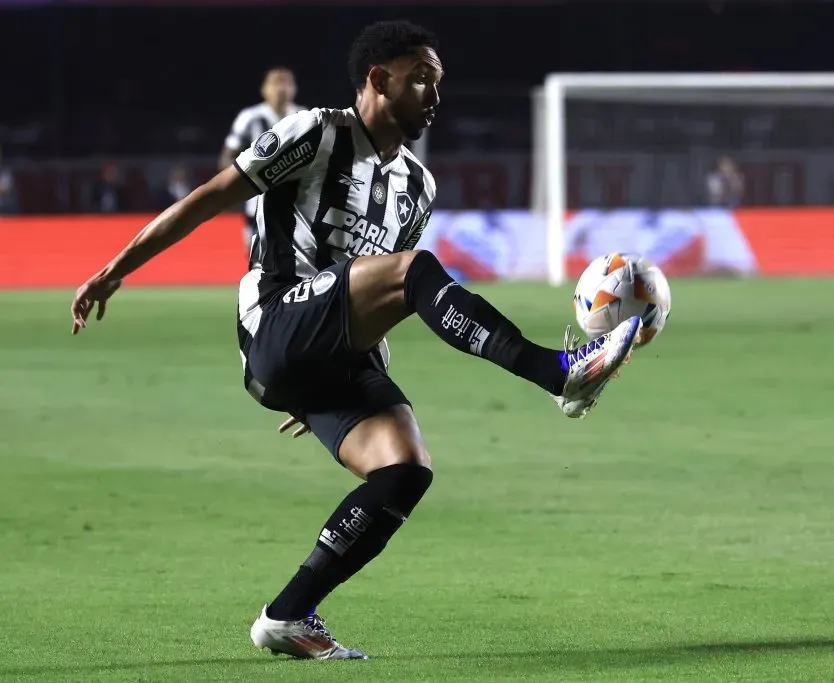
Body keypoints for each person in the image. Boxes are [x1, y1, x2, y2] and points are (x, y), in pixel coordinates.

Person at [69, 20, 641, 662]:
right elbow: (209, 199)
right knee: (414, 268)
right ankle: (558, 372)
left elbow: (382, 295)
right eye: (422, 78)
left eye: (439, 82)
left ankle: (287, 615)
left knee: (403, 468)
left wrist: (318, 383)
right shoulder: (317, 132)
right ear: (378, 79)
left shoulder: (418, 187)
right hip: (276, 322)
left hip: (325, 356)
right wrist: (115, 269)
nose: (434, 94)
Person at [219, 67, 303, 263]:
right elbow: (228, 155)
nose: (281, 88)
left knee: (298, 265)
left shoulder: (304, 115)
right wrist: (232, 189)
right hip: (257, 202)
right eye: (276, 83)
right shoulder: (250, 118)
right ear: (264, 89)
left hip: (298, 204)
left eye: (287, 83)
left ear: (294, 89)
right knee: (257, 260)